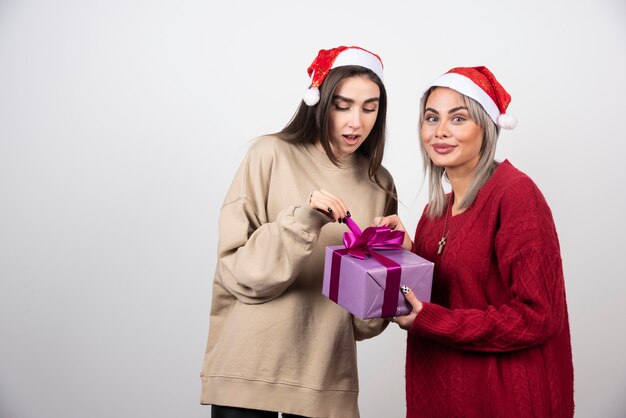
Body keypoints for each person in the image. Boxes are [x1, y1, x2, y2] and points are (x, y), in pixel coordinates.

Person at [200, 46, 398, 418]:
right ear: (319, 102)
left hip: (326, 379)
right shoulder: (269, 154)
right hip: (248, 373)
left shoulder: (379, 184)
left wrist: (390, 258)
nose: (356, 121)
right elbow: (240, 275)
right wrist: (305, 221)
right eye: (343, 105)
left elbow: (365, 322)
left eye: (369, 108)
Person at [378, 66, 574, 417]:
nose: (440, 132)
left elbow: (539, 317)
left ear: (486, 126)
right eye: (431, 117)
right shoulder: (434, 212)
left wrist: (436, 321)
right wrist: (407, 253)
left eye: (458, 119)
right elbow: (447, 291)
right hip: (442, 395)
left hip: (502, 400)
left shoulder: (515, 195)